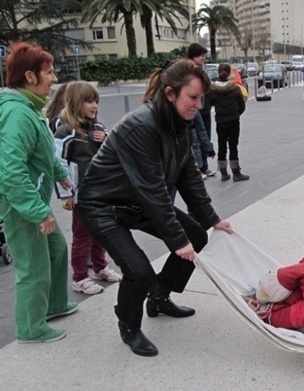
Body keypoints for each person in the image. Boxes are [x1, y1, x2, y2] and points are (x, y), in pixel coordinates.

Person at [76, 59, 234, 357]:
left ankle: (158, 299)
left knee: (197, 236)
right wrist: (177, 241)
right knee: (139, 271)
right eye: (193, 97)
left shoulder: (181, 125)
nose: (198, 105)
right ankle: (130, 327)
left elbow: (189, 177)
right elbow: (153, 190)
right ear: (171, 94)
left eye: (201, 98)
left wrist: (212, 220)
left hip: (137, 202)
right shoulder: (141, 126)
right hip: (103, 205)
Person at [0, 42, 77, 344]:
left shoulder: (28, 109)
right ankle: (31, 328)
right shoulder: (17, 114)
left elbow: (41, 151)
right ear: (30, 77)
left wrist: (61, 176)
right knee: (34, 267)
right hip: (21, 205)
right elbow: (10, 170)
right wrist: (37, 211)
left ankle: (54, 305)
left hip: (31, 199)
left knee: (57, 251)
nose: (54, 78)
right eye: (49, 72)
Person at [54, 81, 122, 295]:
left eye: (96, 101)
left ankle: (100, 267)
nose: (94, 106)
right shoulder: (66, 132)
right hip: (81, 194)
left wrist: (107, 140)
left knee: (101, 232)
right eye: (89, 101)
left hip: (102, 192)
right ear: (76, 103)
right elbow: (58, 164)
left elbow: (115, 151)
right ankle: (80, 276)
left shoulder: (99, 127)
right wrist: (66, 194)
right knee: (82, 235)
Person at [205, 63, 249, 182]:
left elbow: (208, 106)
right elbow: (242, 106)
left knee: (221, 145)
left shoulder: (212, 89)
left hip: (220, 121)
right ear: (230, 73)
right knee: (233, 146)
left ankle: (223, 172)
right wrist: (235, 114)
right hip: (233, 120)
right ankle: (236, 172)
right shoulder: (234, 88)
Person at [187, 43, 215, 178]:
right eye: (201, 55)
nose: (203, 58)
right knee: (196, 139)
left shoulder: (201, 70)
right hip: (195, 110)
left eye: (204, 55)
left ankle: (204, 166)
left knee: (205, 137)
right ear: (193, 56)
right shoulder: (188, 71)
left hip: (205, 109)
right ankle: (199, 167)